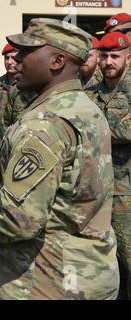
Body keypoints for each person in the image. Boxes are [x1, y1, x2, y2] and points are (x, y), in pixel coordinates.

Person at [0, 18, 120, 300]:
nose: (15, 59)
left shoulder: (45, 123)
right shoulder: (83, 107)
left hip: (47, 282)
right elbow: (65, 185)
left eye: (26, 52)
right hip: (88, 274)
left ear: (56, 61)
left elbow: (17, 220)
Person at [86, 32, 131, 299]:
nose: (108, 61)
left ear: (128, 57)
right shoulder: (89, 92)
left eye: (115, 56)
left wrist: (97, 127)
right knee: (99, 257)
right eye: (104, 56)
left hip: (127, 190)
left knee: (128, 256)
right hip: (95, 188)